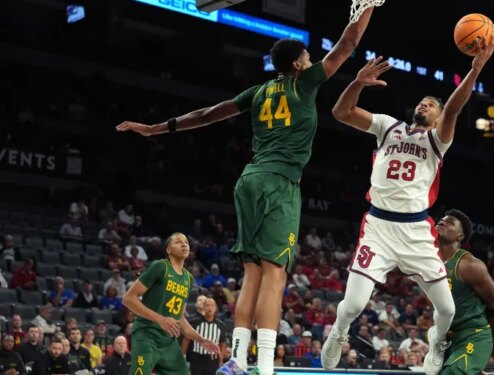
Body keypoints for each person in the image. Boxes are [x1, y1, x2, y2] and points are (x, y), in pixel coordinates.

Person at [116, 5, 378, 375]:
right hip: (279, 183)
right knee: (275, 273)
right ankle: (266, 364)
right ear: (301, 65)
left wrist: (156, 128)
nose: (313, 60)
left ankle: (238, 360)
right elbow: (349, 41)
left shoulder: (257, 92)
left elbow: (207, 114)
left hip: (249, 180)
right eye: (309, 57)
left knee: (253, 272)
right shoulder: (304, 83)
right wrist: (366, 7)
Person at [323, 34, 494, 375]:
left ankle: (436, 343)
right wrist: (357, 83)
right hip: (378, 226)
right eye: (422, 102)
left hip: (417, 230)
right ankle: (339, 333)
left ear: (438, 117)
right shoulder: (389, 127)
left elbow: (455, 107)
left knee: (446, 310)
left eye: (431, 105)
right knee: (354, 304)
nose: (424, 105)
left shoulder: (438, 140)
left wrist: (475, 70)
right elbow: (341, 112)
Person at [122, 233, 219, 375]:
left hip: (168, 341)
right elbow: (128, 299)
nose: (184, 244)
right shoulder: (161, 267)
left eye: (186, 242)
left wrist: (201, 340)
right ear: (168, 250)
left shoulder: (188, 279)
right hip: (147, 335)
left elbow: (179, 318)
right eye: (178, 242)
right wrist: (160, 319)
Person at [435, 209, 494, 375]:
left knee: (452, 372)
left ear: (460, 236)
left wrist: (492, 345)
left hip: (475, 335)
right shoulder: (430, 262)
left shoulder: (470, 265)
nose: (442, 223)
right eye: (441, 221)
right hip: (449, 339)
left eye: (450, 223)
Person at [182, 298, 227, 375]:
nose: (210, 307)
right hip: (196, 360)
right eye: (207, 305)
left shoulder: (221, 325)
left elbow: (222, 345)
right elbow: (186, 340)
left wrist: (220, 362)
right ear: (203, 307)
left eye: (212, 305)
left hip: (212, 361)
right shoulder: (195, 322)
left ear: (215, 308)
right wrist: (182, 356)